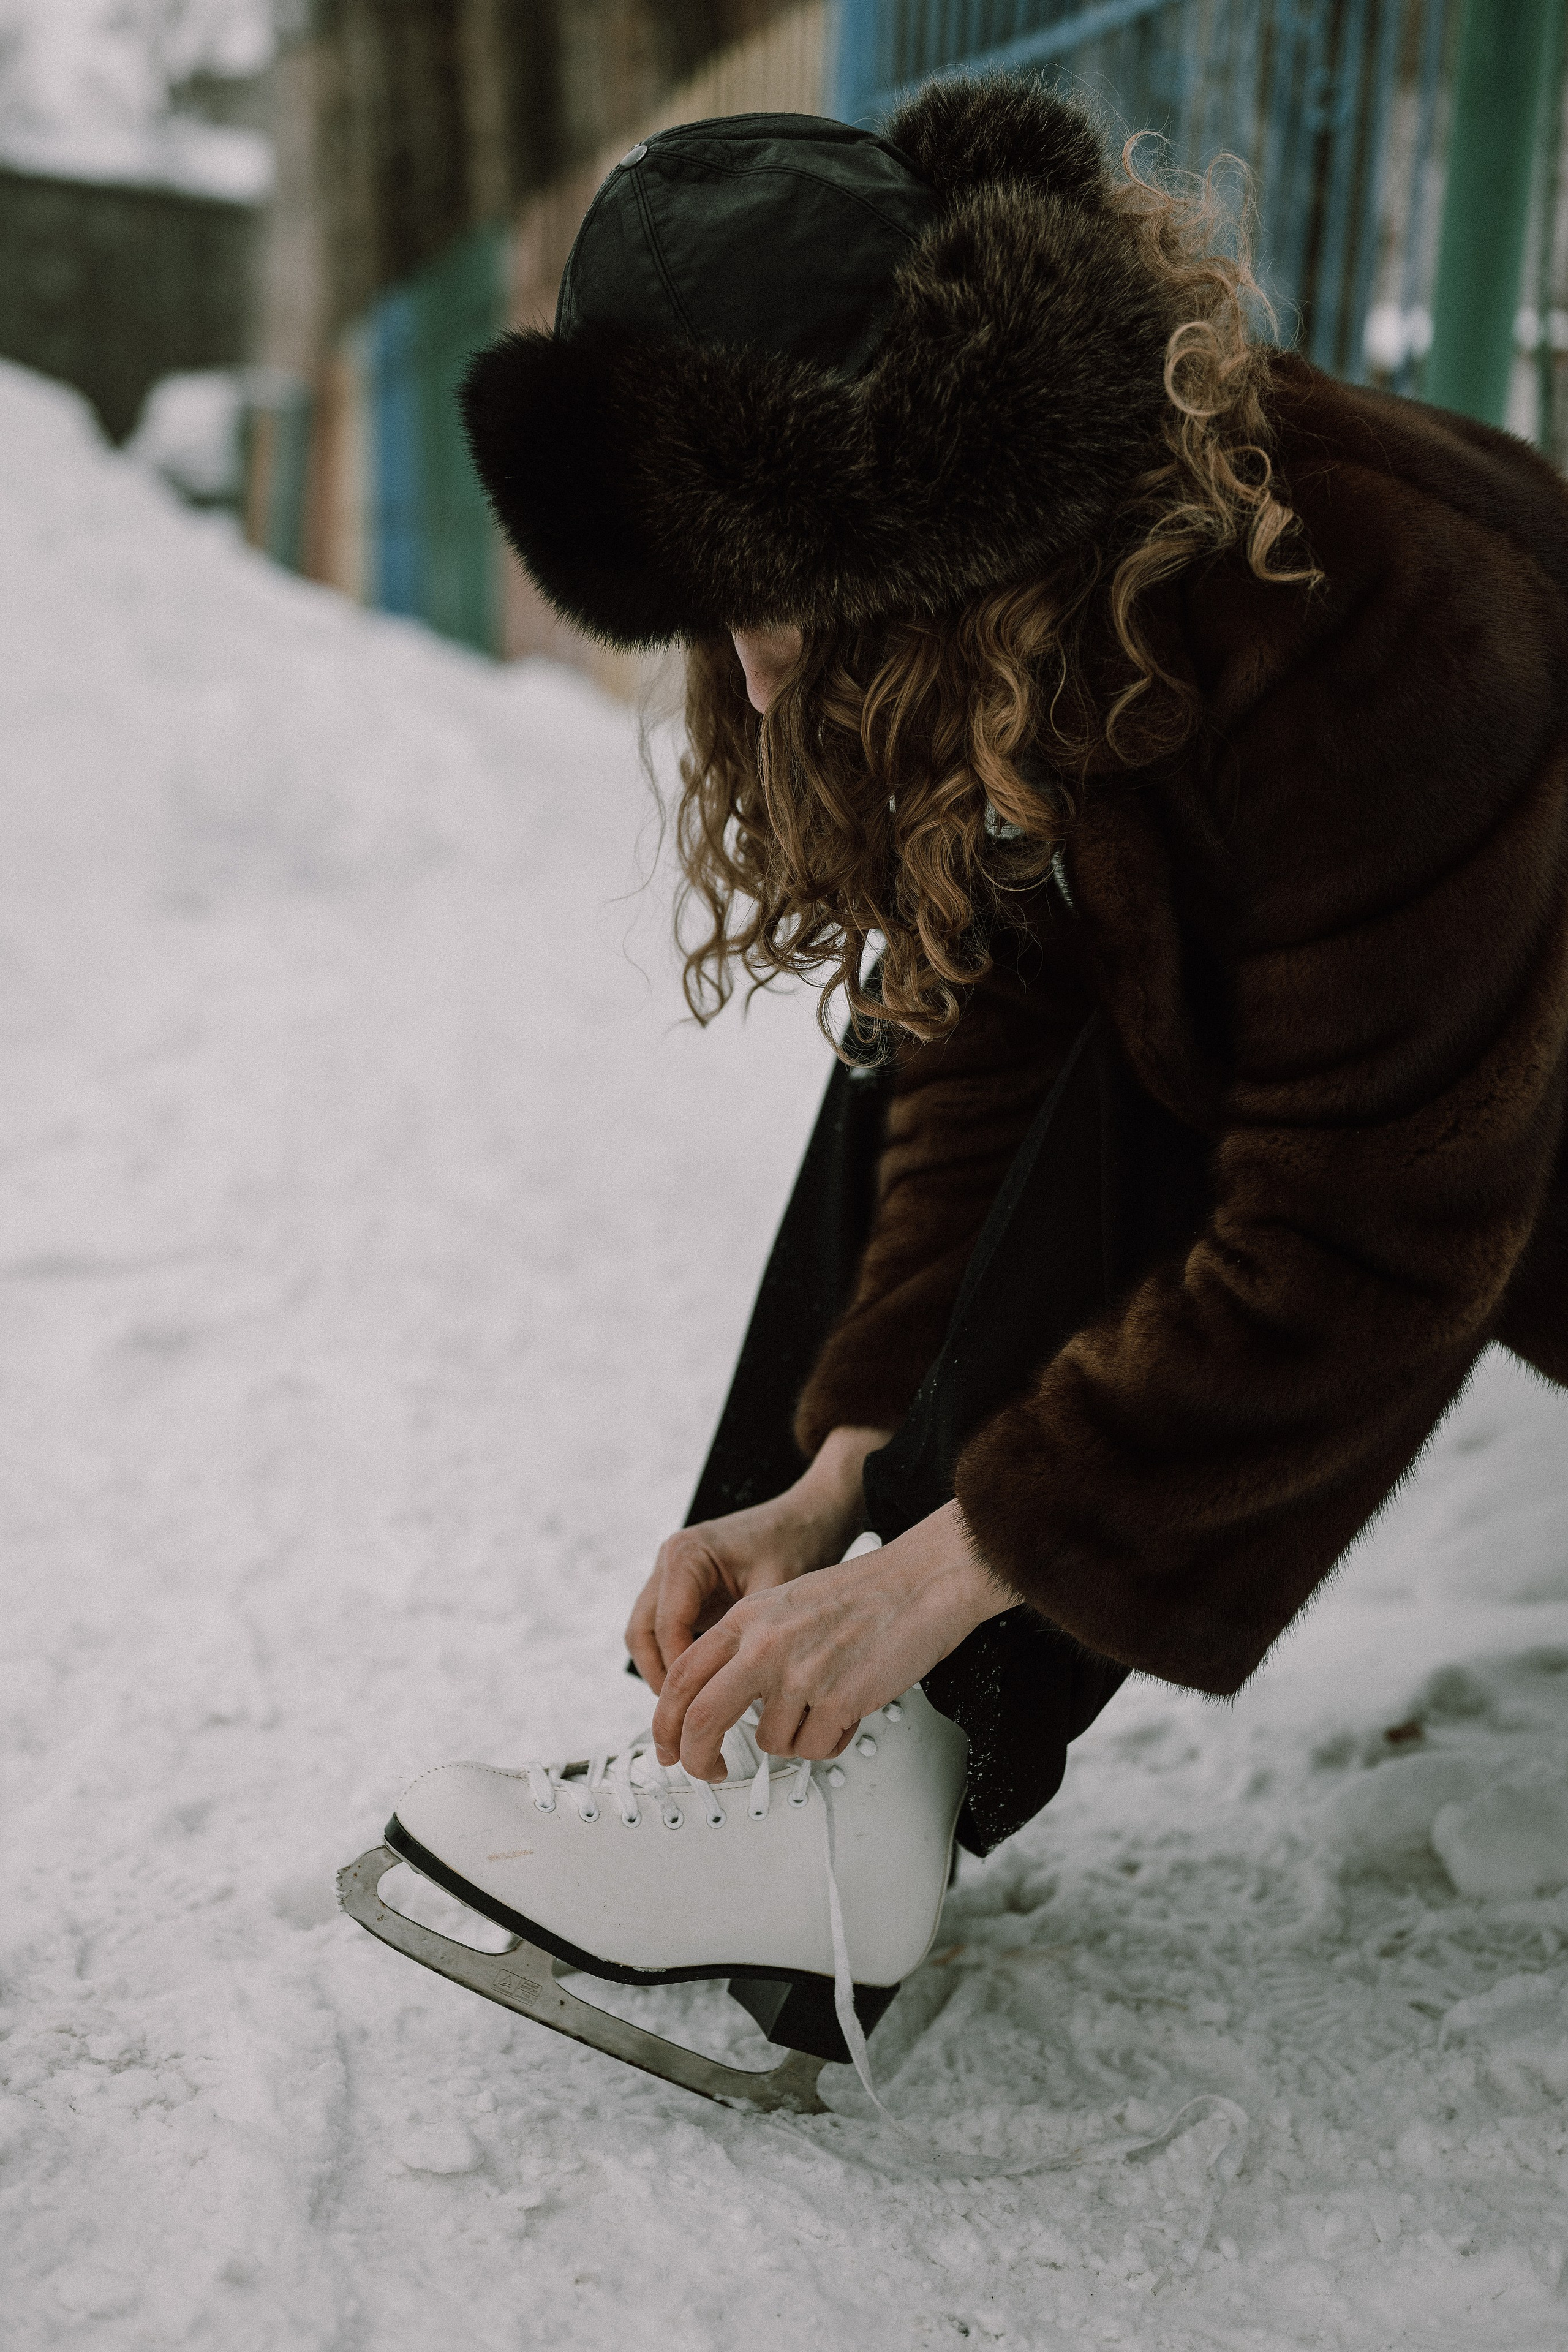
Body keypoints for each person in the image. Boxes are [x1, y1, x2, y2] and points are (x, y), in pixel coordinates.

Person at [375, 79, 1568, 2081]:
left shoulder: (1378, 610)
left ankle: (849, 1778)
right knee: (962, 997)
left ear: (918, 502)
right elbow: (994, 1041)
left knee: (1190, 1045)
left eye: (770, 592)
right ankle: (779, 1766)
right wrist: (842, 1470)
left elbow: (1373, 1219)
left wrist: (953, 1565)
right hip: (1455, 1140)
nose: (751, 681)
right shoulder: (1099, 585)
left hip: (1495, 1167)